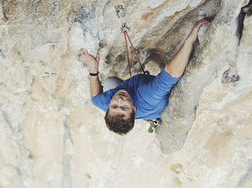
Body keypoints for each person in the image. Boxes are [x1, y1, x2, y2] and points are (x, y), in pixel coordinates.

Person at [80, 18, 210, 135]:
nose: (119, 100)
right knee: (114, 85)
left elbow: (95, 98)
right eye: (125, 107)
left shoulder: (106, 102)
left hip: (141, 101)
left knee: (109, 82)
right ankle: (152, 119)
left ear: (108, 107)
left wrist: (93, 69)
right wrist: (190, 40)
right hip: (156, 106)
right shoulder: (148, 95)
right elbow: (171, 74)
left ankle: (146, 115)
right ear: (134, 110)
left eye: (114, 106)